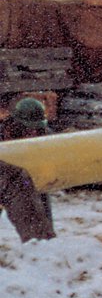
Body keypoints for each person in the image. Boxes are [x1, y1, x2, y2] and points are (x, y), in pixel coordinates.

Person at [0, 98, 56, 241]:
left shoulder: (45, 134)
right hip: (6, 176)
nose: (33, 133)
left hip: (27, 175)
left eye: (36, 128)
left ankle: (43, 239)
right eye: (28, 128)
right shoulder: (3, 133)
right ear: (16, 123)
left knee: (36, 187)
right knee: (17, 182)